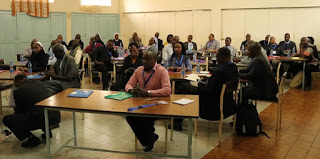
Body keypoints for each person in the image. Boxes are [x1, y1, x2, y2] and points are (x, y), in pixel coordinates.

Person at [174, 47, 238, 129]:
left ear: (222, 58)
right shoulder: (233, 67)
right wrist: (209, 79)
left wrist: (200, 84)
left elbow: (208, 91)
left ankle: (176, 121)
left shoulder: (219, 71)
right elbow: (218, 83)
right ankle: (178, 117)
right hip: (226, 100)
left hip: (211, 102)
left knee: (183, 86)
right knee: (186, 86)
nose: (216, 60)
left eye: (217, 57)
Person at [125, 51, 171, 152]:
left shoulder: (162, 71)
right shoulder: (139, 70)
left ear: (155, 60)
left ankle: (149, 140)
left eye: (148, 59)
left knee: (145, 118)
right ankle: (150, 138)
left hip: (158, 104)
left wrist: (149, 92)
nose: (145, 61)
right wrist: (131, 90)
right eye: (143, 59)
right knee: (130, 116)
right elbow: (128, 84)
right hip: (142, 104)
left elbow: (167, 90)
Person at [2, 74, 61, 148]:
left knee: (8, 119)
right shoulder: (40, 83)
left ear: (18, 81)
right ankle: (47, 131)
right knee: (39, 110)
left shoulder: (19, 91)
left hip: (41, 118)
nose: (15, 86)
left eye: (15, 83)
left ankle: (31, 139)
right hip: (55, 116)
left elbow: (19, 111)